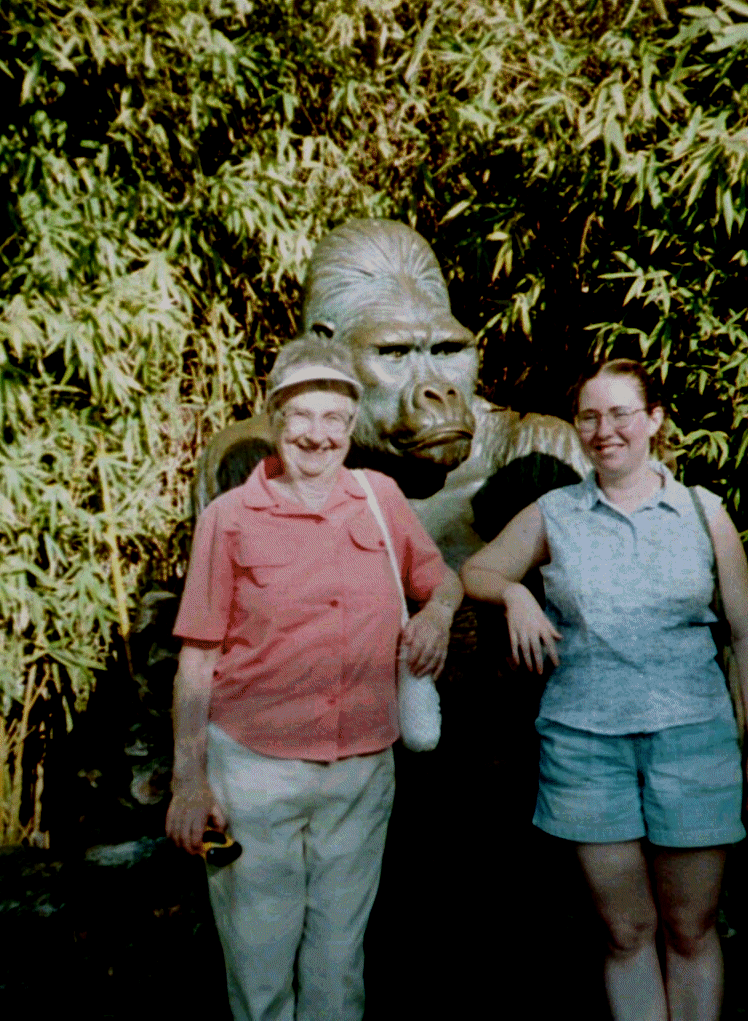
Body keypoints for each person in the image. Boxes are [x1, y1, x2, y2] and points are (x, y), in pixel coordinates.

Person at [460, 359, 748, 1021]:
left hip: (694, 741)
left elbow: (745, 636)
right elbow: (477, 570)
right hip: (586, 748)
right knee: (626, 932)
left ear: (654, 421)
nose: (605, 430)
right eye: (590, 416)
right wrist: (515, 592)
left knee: (690, 930)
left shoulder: (703, 511)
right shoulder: (557, 511)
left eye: (620, 414)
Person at [167, 336, 463, 1021]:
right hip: (254, 775)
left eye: (334, 418)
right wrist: (191, 779)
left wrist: (438, 616)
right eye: (302, 416)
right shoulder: (229, 519)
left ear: (352, 428)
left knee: (338, 966)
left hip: (361, 773)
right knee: (260, 966)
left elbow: (440, 579)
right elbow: (197, 659)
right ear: (274, 419)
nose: (318, 434)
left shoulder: (380, 497)